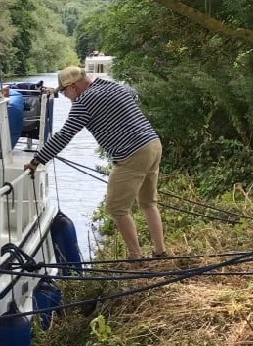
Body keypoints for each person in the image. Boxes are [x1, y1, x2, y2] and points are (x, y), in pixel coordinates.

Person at [24, 66, 166, 259]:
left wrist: (37, 160)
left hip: (133, 153)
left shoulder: (83, 102)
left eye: (64, 91)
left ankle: (136, 258)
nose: (66, 96)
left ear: (73, 86)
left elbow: (64, 135)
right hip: (152, 143)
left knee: (116, 208)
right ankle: (160, 252)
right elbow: (133, 95)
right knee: (148, 202)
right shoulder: (115, 87)